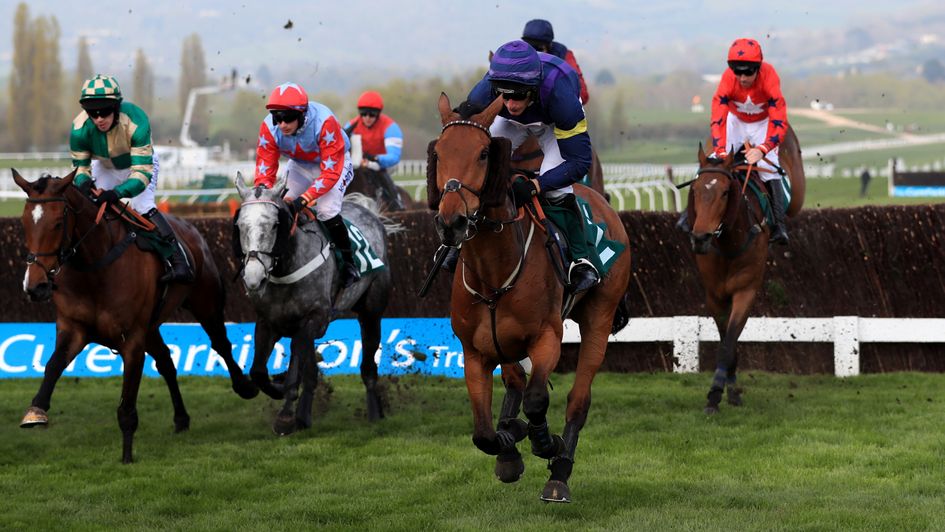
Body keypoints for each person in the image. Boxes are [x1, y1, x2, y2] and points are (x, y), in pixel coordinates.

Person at [459, 39, 598, 293]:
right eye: (505, 95)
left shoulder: (562, 98)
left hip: (554, 124)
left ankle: (581, 259)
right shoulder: (486, 90)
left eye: (518, 95)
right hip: (513, 124)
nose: (511, 104)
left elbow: (579, 163)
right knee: (480, 164)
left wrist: (536, 185)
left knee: (555, 189)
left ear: (533, 89)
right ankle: (458, 241)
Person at [69, 74, 194, 283]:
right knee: (87, 205)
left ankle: (178, 260)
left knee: (141, 205)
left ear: (117, 107)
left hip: (139, 166)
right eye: (92, 112)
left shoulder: (136, 120)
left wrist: (116, 193)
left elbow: (141, 175)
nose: (99, 118)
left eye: (105, 111)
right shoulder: (79, 129)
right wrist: (84, 185)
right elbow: (80, 170)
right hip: (105, 165)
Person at [677, 38, 790, 245]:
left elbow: (779, 119)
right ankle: (687, 214)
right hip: (736, 121)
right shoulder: (728, 78)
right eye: (737, 72)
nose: (742, 77)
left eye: (748, 72)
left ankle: (779, 225)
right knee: (711, 162)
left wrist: (763, 149)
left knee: (769, 167)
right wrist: (720, 149)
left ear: (758, 68)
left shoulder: (769, 76)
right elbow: (718, 117)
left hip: (763, 122)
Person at [253, 82, 360, 287]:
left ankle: (348, 262)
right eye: (277, 116)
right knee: (280, 205)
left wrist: (304, 200)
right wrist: (264, 195)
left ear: (302, 114)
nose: (282, 124)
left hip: (334, 164)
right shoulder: (269, 127)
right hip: (301, 165)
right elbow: (265, 170)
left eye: (288, 117)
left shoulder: (324, 122)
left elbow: (330, 173)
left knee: (326, 210)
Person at [344, 91, 405, 210]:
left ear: (378, 114)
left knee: (377, 171)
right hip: (357, 164)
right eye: (363, 114)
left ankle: (396, 203)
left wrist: (375, 158)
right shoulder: (351, 125)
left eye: (372, 114)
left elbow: (393, 157)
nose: (367, 118)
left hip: (382, 165)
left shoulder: (391, 127)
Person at [520, 19, 589, 104]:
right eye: (530, 48)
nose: (535, 53)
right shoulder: (518, 55)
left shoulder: (565, 56)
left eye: (539, 49)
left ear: (549, 46)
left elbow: (582, 95)